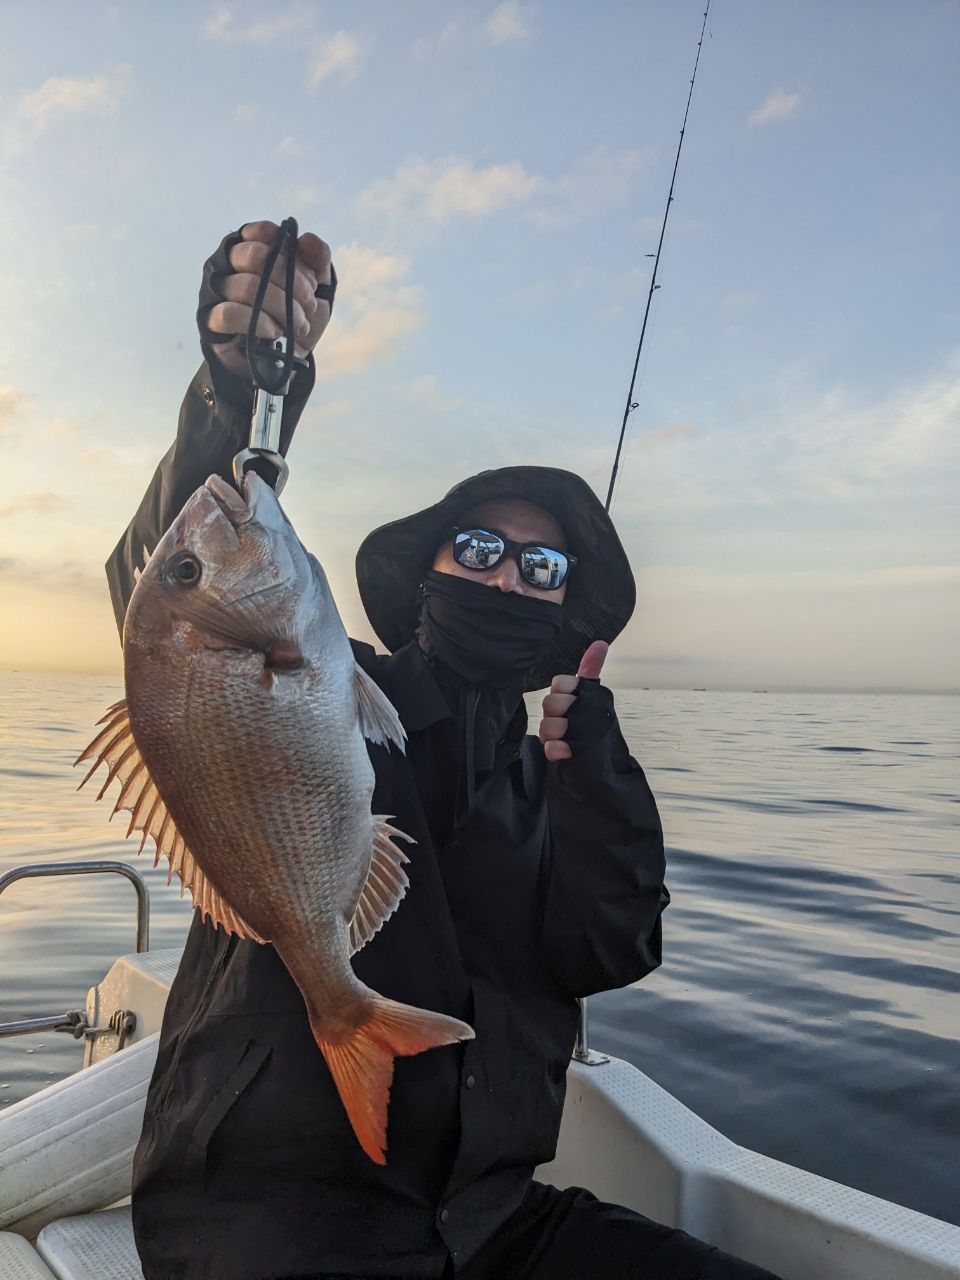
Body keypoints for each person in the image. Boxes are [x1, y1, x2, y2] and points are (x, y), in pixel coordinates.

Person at [107, 222, 782, 1280]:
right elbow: (165, 600)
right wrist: (239, 392)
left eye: (541, 565)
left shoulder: (546, 782)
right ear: (426, 575)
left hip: (491, 1222)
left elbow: (612, 948)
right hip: (266, 1216)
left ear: (563, 610)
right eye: (479, 549)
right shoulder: (332, 693)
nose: (508, 576)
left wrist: (598, 783)